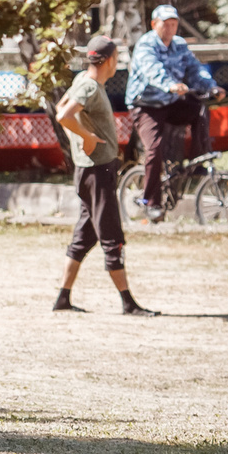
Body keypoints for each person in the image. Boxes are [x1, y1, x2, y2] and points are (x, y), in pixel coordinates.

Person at [53, 35, 155, 315]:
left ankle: (62, 299)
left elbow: (60, 109)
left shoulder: (84, 80)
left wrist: (79, 141)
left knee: (84, 236)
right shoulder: (89, 86)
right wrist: (86, 138)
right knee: (112, 237)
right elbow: (63, 116)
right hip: (97, 172)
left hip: (93, 170)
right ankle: (128, 303)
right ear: (110, 60)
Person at [125, 5, 225, 219]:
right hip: (146, 105)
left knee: (199, 108)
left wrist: (212, 87)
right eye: (165, 24)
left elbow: (195, 69)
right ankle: (151, 202)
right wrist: (170, 85)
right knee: (154, 149)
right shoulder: (146, 45)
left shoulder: (180, 44)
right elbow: (153, 70)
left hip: (170, 103)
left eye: (173, 24)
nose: (170, 28)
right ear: (154, 24)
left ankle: (198, 160)